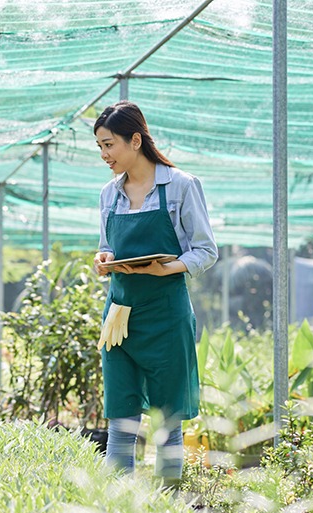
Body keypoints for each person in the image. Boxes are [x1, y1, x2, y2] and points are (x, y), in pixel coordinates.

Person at [92, 101, 217, 487]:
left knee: (168, 418)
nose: (104, 155)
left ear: (135, 139)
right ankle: (118, 509)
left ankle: (168, 511)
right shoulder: (108, 195)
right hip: (120, 317)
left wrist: (168, 266)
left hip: (165, 315)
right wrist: (104, 259)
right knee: (120, 418)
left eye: (109, 144)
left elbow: (206, 251)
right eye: (99, 146)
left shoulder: (181, 185)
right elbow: (106, 246)